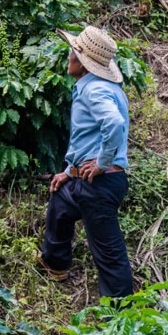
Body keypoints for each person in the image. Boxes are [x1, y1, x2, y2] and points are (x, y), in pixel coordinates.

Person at [39, 26, 133, 299]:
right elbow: (89, 137)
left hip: (99, 183)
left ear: (80, 61)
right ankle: (55, 264)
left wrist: (102, 163)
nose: (68, 58)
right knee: (61, 200)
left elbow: (114, 124)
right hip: (87, 180)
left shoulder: (94, 91)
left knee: (109, 253)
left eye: (72, 54)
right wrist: (70, 171)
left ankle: (120, 314)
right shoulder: (101, 87)